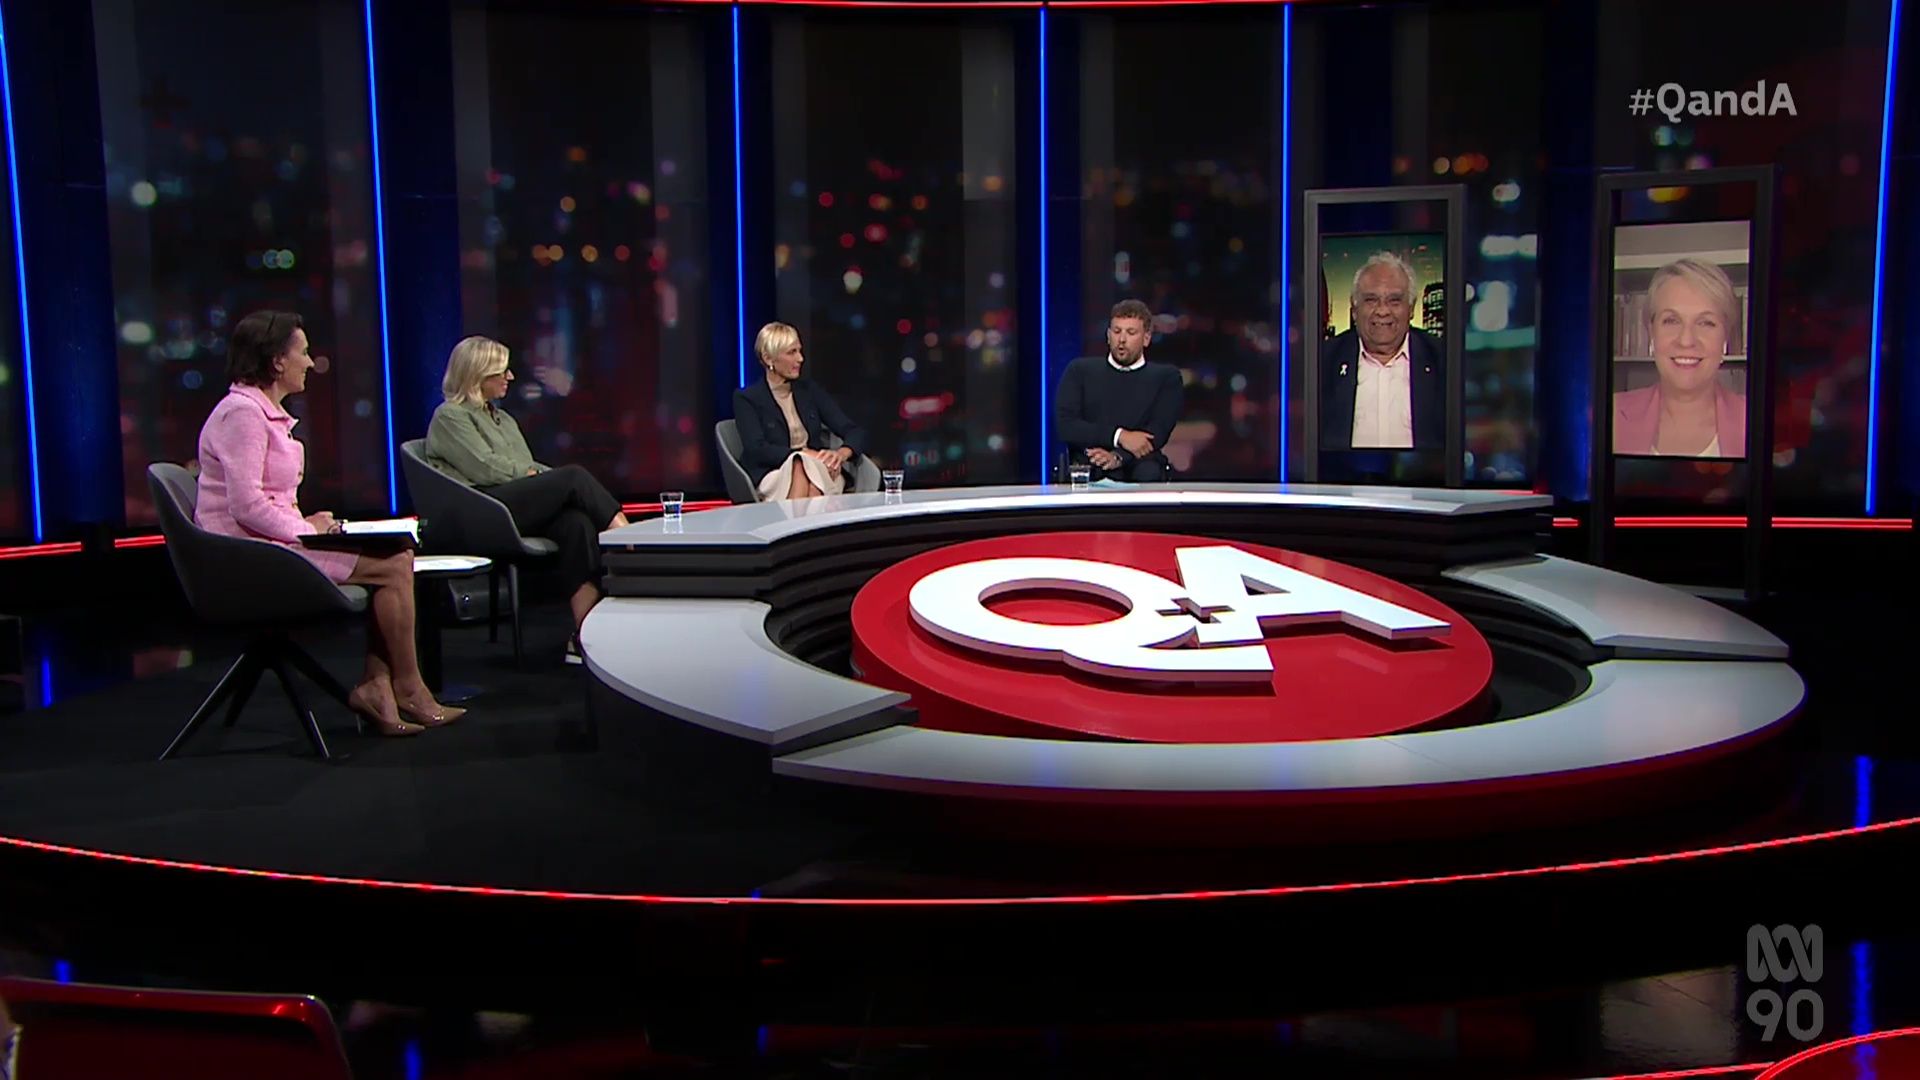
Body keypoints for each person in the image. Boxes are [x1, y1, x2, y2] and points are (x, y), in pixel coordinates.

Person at [195, 311, 461, 736]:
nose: (309, 361)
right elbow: (245, 506)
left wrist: (305, 520)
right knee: (394, 566)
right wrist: (306, 531)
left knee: (397, 555)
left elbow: (267, 500)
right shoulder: (242, 414)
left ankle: (380, 687)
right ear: (277, 361)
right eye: (302, 352)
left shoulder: (262, 412)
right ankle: (407, 688)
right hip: (245, 557)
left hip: (267, 544)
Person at [424, 336, 631, 661]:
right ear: (478, 375)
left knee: (575, 523)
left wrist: (547, 480)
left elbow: (527, 465)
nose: (510, 377)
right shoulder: (450, 417)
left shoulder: (503, 419)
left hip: (511, 501)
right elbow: (485, 468)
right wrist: (546, 478)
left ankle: (582, 635)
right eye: (502, 371)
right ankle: (626, 541)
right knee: (573, 476)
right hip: (481, 508)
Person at [1612, 257, 1748, 458]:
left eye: (1706, 323)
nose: (1686, 340)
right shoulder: (1607, 413)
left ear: (1725, 337)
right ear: (1651, 332)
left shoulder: (1758, 418)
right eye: (1671, 320)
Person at [1319, 252, 1447, 450]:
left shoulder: (1442, 359)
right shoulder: (1323, 360)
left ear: (1411, 308)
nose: (1382, 311)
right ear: (1354, 308)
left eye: (1394, 301)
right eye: (1371, 300)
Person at [733, 322, 870, 501]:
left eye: (799, 351)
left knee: (808, 474)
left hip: (819, 467)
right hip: (774, 473)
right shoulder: (748, 398)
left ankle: (794, 518)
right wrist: (802, 454)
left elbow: (853, 430)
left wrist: (841, 453)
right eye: (792, 352)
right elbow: (756, 449)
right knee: (799, 466)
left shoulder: (809, 391)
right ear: (768, 359)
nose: (800, 359)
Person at [1054, 299, 1184, 481]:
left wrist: (1118, 457)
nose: (1122, 339)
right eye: (1117, 331)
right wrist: (1119, 436)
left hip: (1141, 470)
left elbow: (1157, 433)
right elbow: (1066, 425)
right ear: (1108, 336)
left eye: (1131, 332)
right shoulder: (1080, 371)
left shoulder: (1166, 377)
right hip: (1090, 466)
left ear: (1146, 338)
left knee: (1148, 472)